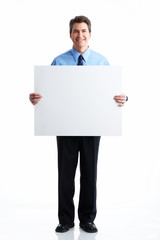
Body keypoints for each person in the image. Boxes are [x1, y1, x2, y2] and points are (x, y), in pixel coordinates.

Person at [29, 16, 128, 233]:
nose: (80, 35)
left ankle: (87, 219)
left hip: (92, 125)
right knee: (65, 174)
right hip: (65, 125)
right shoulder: (59, 61)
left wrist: (124, 98)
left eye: (84, 31)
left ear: (90, 34)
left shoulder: (102, 62)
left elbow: (110, 93)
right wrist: (36, 98)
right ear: (70, 34)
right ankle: (65, 220)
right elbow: (48, 93)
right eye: (75, 31)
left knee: (89, 173)